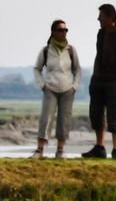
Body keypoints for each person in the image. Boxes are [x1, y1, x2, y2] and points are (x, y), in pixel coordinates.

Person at [80, 3, 116, 159]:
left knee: (114, 114)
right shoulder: (101, 34)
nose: (98, 19)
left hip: (114, 81)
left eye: (101, 16)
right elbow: (99, 54)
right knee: (96, 113)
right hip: (99, 79)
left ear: (110, 17)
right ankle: (100, 146)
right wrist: (94, 77)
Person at [30, 19, 80, 159]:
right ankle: (40, 150)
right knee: (46, 118)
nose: (63, 33)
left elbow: (77, 69)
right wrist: (42, 85)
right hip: (50, 88)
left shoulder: (70, 50)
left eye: (65, 30)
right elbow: (37, 69)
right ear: (53, 32)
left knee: (64, 119)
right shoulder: (46, 50)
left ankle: (60, 151)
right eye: (60, 30)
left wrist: (75, 86)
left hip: (67, 89)